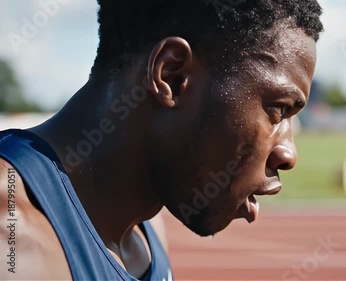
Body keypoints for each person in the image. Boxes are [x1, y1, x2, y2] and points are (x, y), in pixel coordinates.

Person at [0, 0, 323, 279]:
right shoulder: (11, 243)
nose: (289, 154)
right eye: (279, 110)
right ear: (172, 75)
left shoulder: (148, 224)